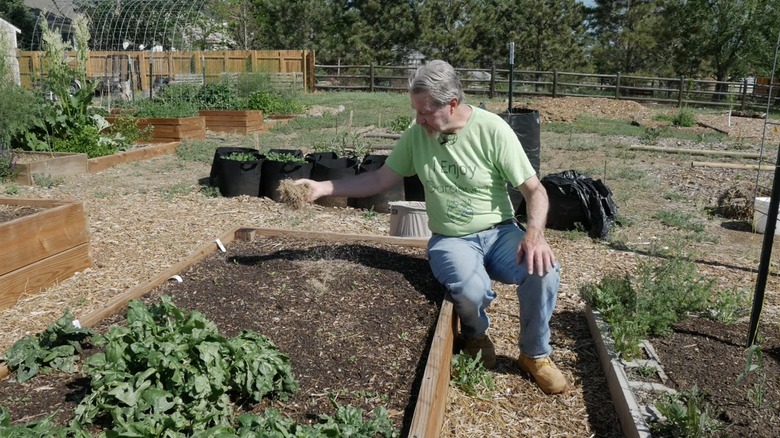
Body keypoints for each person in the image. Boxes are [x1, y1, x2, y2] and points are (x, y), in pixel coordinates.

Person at [294, 60, 567, 394]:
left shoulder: (492, 130)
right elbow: (381, 178)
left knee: (544, 270)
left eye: (424, 112)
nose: (418, 119)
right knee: (470, 289)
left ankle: (534, 354)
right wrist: (325, 188)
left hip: (499, 232)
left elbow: (534, 190)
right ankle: (475, 334)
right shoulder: (416, 136)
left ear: (451, 104)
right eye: (415, 110)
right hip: (452, 238)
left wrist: (534, 235)